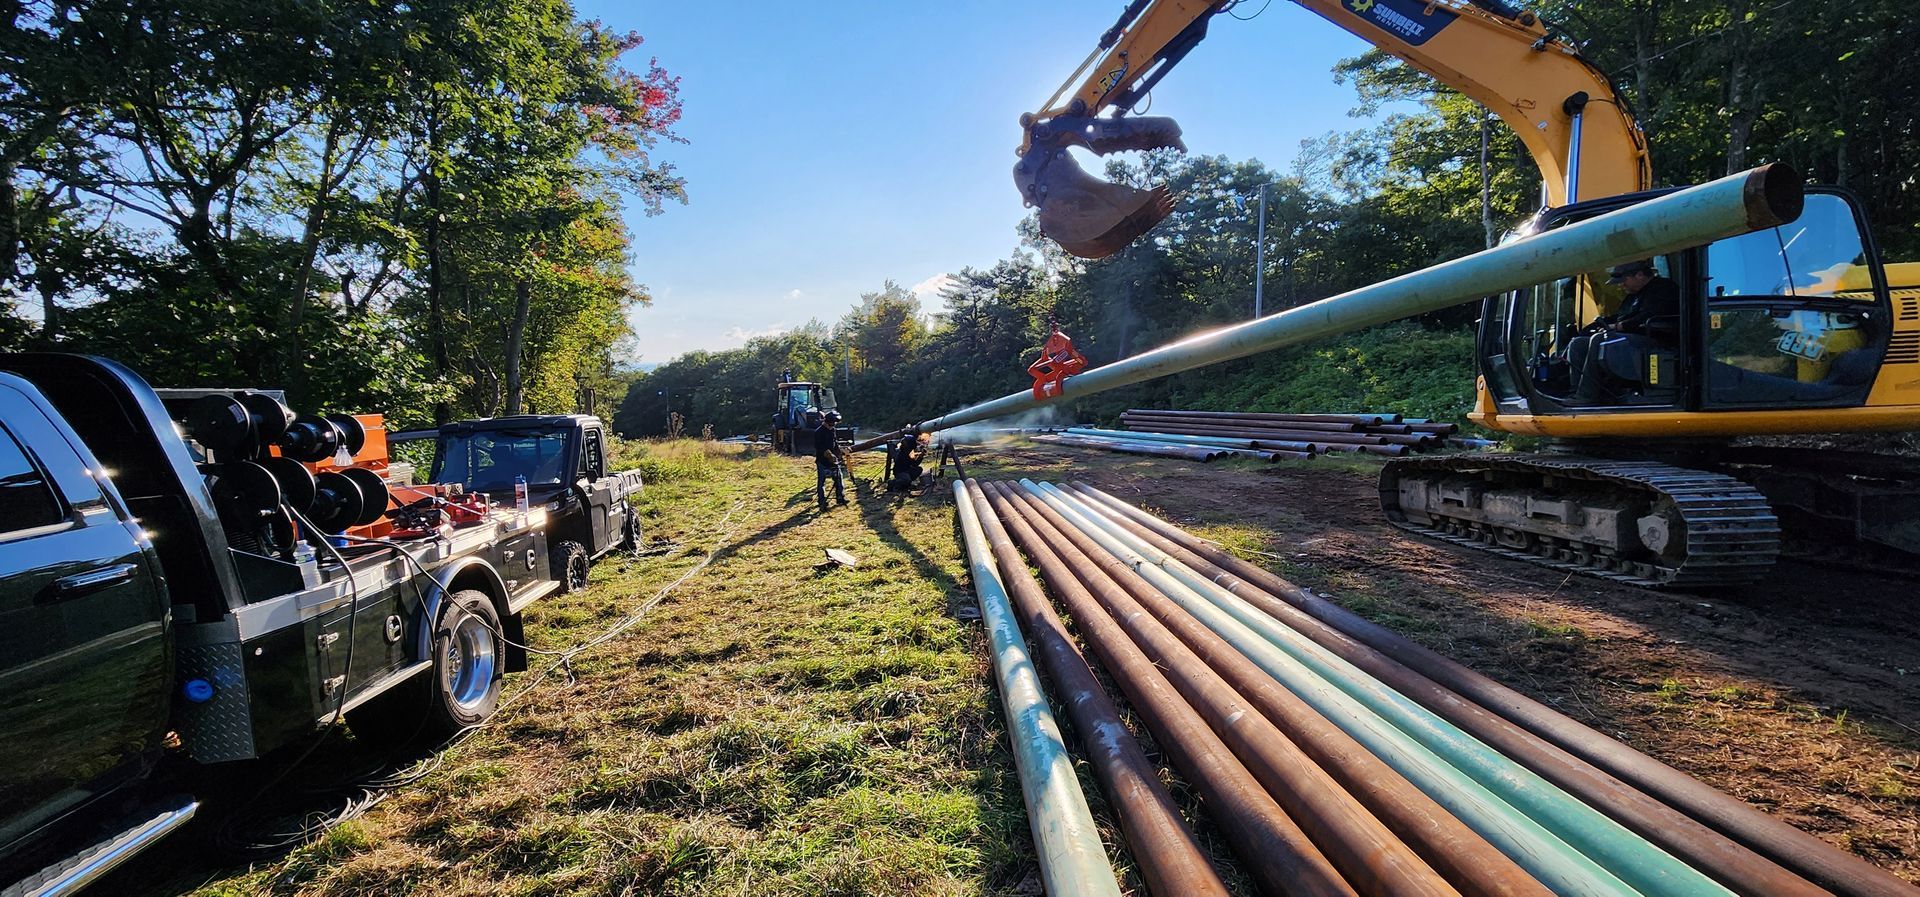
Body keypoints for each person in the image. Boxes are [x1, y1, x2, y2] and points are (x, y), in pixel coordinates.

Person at [1567, 260, 1681, 401]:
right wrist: (1594, 326)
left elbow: (1650, 315)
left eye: (1624, 280)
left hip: (1656, 341)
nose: (1621, 285)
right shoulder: (1633, 296)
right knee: (1578, 343)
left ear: (1639, 275)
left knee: (1599, 340)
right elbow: (1621, 316)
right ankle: (1575, 392)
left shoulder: (1664, 289)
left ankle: (1585, 397)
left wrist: (1620, 326)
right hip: (1629, 340)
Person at [813, 410, 848, 511]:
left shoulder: (832, 430)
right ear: (827, 422)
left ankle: (840, 498)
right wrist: (829, 455)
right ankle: (822, 501)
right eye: (832, 423)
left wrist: (839, 452)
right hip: (822, 461)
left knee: (839, 479)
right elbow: (819, 447)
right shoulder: (818, 432)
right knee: (822, 482)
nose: (833, 425)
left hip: (833, 460)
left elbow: (834, 442)